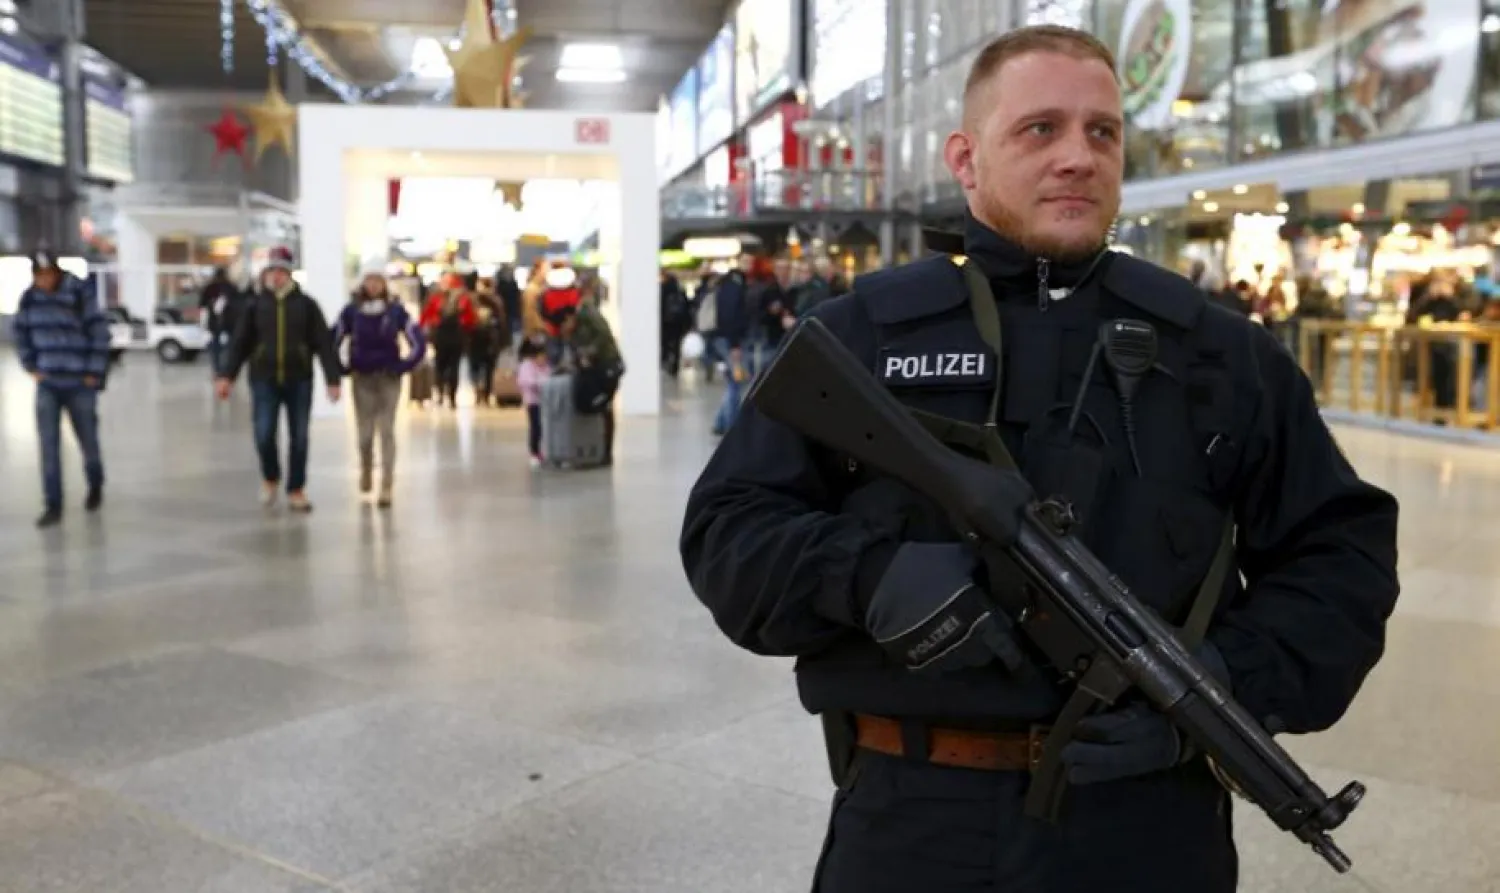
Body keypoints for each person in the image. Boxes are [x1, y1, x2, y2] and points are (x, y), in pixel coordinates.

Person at [679, 25, 1400, 893]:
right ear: (965, 157)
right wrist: (870, 577)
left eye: (1103, 132)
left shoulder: (1220, 352)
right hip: (914, 817)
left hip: (1147, 821)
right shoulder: (863, 334)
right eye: (1039, 129)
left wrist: (1218, 681)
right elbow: (728, 531)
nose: (1078, 157)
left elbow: (1343, 558)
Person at [216, 247, 343, 513]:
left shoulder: (307, 305)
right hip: (264, 380)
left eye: (281, 271)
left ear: (289, 274)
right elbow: (239, 343)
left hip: (300, 381)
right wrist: (226, 375)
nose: (276, 276)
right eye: (271, 271)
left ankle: (296, 489)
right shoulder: (254, 306)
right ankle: (270, 477)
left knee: (299, 437)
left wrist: (333, 379)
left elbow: (323, 343)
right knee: (264, 434)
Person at [12, 250, 112, 528]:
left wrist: (94, 372)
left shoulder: (79, 293)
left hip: (80, 383)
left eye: (48, 274)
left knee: (88, 442)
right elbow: (20, 334)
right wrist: (31, 366)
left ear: (57, 271)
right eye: (39, 275)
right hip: (48, 384)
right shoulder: (30, 299)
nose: (44, 280)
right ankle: (52, 504)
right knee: (49, 445)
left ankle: (95, 484)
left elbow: (100, 332)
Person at [332, 269, 427, 507]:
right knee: (364, 434)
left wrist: (405, 364)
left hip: (389, 379)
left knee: (386, 430)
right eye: (369, 281)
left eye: (378, 281)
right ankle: (366, 468)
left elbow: (417, 340)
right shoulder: (351, 311)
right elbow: (332, 340)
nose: (373, 286)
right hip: (362, 378)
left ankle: (387, 484)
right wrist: (340, 368)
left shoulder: (396, 312)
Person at [558, 296, 623, 465]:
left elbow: (604, 335)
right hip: (597, 371)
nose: (564, 331)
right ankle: (597, 449)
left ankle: (606, 452)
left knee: (605, 408)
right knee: (598, 408)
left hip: (608, 368)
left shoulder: (588, 315)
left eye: (563, 326)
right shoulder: (574, 333)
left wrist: (588, 352)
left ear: (569, 318)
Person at [420, 273, 477, 408]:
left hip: (441, 335)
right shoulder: (463, 297)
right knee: (454, 367)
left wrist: (425, 328)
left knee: (440, 366)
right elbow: (471, 319)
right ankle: (451, 397)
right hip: (457, 336)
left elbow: (426, 315)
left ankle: (440, 395)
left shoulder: (435, 297)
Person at [516, 338, 549, 468]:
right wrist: (540, 383)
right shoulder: (526, 366)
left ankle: (543, 451)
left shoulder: (546, 367)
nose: (543, 359)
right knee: (535, 427)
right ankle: (534, 452)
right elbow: (526, 382)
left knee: (544, 427)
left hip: (545, 402)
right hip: (533, 402)